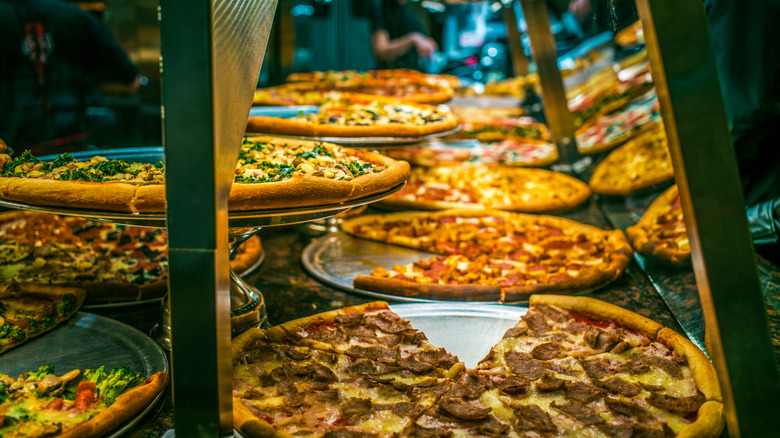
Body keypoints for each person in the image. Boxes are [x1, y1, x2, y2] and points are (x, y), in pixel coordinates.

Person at [0, 0, 141, 154]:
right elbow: (131, 82)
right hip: (71, 146)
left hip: (10, 150)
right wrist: (84, 85)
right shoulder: (76, 17)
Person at [368, 0, 438, 70]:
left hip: (413, 74)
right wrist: (414, 38)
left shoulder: (408, 9)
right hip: (391, 76)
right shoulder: (383, 8)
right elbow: (381, 52)